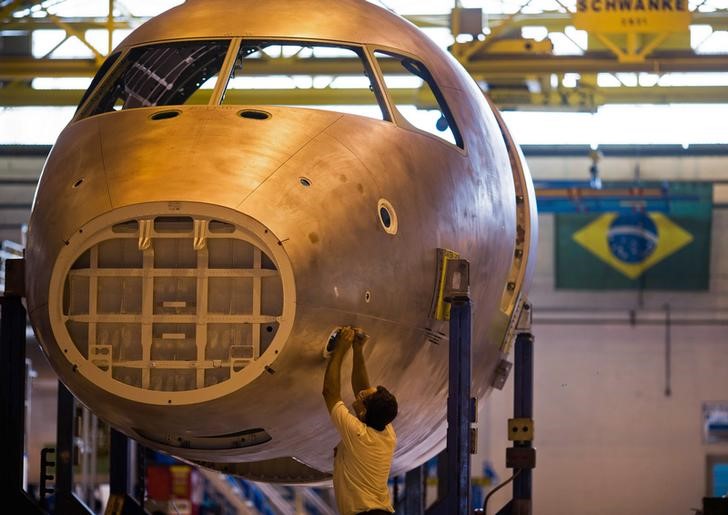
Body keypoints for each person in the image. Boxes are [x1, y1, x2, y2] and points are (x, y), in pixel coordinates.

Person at [322, 326, 399, 515]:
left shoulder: (359, 435)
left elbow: (330, 393)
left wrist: (339, 351)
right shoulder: (385, 431)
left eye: (362, 398)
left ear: (363, 412)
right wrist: (357, 350)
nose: (360, 394)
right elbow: (362, 389)